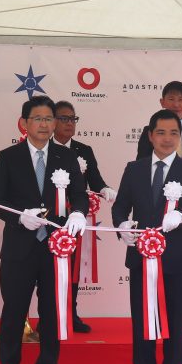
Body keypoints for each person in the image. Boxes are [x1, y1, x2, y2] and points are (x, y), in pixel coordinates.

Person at [0, 96, 88, 364]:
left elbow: (80, 195)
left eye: (49, 119)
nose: (44, 124)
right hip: (19, 249)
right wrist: (20, 216)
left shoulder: (66, 157)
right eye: (38, 119)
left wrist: (78, 213)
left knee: (52, 315)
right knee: (13, 315)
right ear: (24, 123)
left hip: (55, 250)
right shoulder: (9, 156)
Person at [112, 109, 182, 364]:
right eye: (161, 133)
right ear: (151, 136)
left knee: (176, 322)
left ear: (180, 137)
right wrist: (123, 226)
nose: (167, 139)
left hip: (177, 260)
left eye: (174, 133)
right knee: (142, 320)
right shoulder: (134, 169)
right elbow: (120, 207)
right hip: (141, 258)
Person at [135, 81, 182, 332]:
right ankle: (153, 311)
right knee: (151, 260)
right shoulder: (150, 131)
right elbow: (142, 166)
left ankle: (181, 314)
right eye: (171, 99)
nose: (176, 104)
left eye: (181, 99)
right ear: (162, 102)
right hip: (155, 209)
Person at [52, 100, 116, 333]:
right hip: (48, 217)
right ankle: (47, 317)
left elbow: (95, 180)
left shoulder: (83, 150)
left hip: (76, 218)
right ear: (52, 121)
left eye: (73, 119)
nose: (69, 123)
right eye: (64, 118)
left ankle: (71, 314)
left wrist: (105, 189)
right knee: (46, 271)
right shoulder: (43, 148)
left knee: (73, 268)